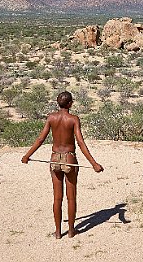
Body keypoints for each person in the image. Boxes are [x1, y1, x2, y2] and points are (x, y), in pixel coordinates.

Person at [22, 91, 104, 239]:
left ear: (57, 103)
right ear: (70, 104)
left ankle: (58, 232)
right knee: (71, 198)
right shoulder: (73, 119)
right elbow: (80, 143)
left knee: (57, 198)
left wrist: (27, 155)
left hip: (54, 159)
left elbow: (41, 139)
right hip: (69, 159)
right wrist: (94, 164)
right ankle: (71, 231)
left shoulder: (51, 118)